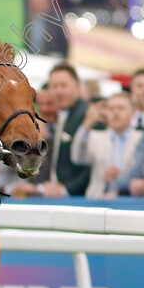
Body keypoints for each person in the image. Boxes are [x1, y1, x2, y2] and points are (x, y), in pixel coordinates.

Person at [70, 93, 142, 198]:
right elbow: (77, 157)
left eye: (121, 108)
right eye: (111, 108)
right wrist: (87, 124)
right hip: (98, 198)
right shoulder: (96, 137)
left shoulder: (141, 138)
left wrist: (121, 175)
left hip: (130, 200)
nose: (116, 112)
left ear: (133, 113)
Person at [42, 62, 91, 197]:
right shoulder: (63, 115)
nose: (59, 91)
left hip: (79, 198)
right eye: (54, 86)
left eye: (63, 86)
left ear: (76, 87)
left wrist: (66, 189)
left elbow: (92, 164)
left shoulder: (87, 114)